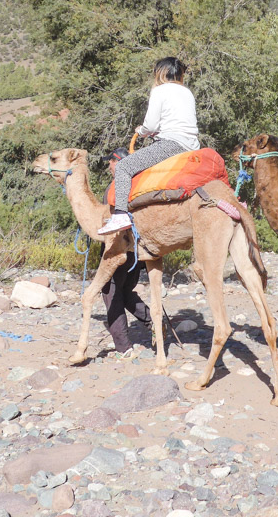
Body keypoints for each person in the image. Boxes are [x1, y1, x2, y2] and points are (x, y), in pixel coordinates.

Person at [98, 56, 200, 235]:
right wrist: (153, 131)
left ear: (160, 73)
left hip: (171, 145)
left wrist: (143, 130)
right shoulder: (187, 92)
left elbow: (151, 124)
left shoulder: (160, 91)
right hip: (192, 146)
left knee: (123, 166)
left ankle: (120, 214)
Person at [98, 147, 152, 358]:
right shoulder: (139, 187)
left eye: (110, 162)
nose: (109, 167)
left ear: (117, 162)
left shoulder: (114, 189)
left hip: (117, 249)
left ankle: (123, 347)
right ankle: (153, 322)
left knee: (110, 292)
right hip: (137, 252)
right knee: (126, 292)